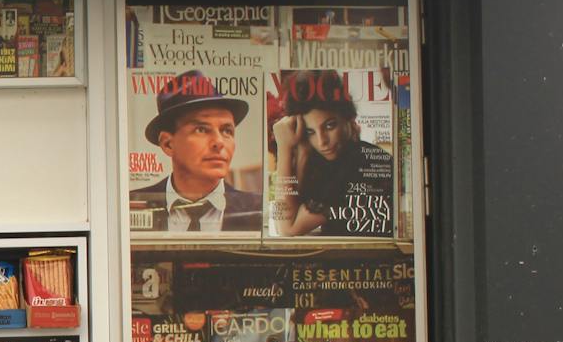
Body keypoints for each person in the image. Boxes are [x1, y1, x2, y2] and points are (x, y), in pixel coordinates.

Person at [130, 70, 264, 232]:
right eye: (201, 129)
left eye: (227, 131)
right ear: (168, 144)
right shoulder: (132, 205)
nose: (219, 142)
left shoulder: (258, 210)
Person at [270, 69, 395, 237]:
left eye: (329, 126)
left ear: (348, 118)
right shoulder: (330, 161)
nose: (322, 141)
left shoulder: (356, 163)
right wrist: (303, 152)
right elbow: (286, 220)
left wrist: (284, 147)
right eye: (310, 132)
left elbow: (286, 230)